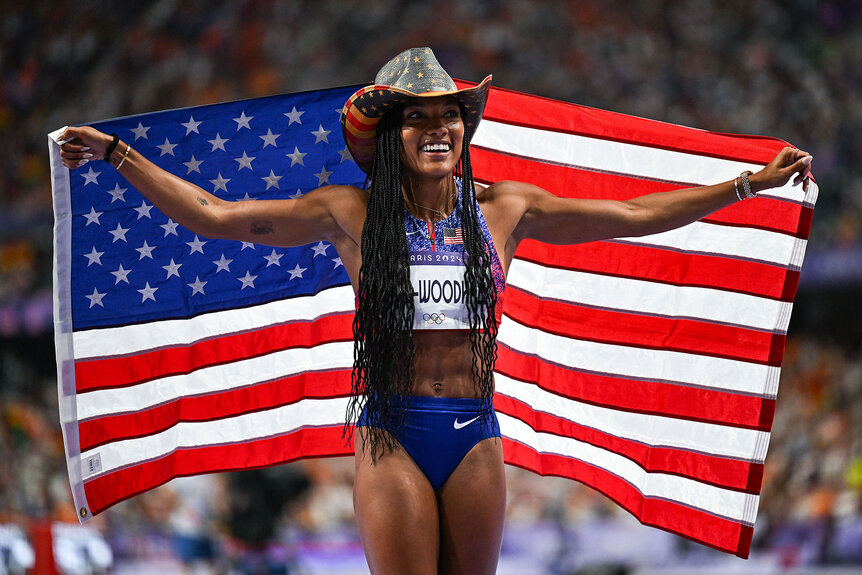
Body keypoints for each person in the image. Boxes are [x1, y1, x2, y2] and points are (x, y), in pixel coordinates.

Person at [59, 47, 813, 575]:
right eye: (417, 118)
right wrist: (118, 156)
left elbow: (637, 210)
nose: (437, 129)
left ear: (463, 129)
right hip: (393, 436)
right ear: (390, 136)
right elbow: (217, 218)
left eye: (448, 115)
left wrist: (746, 185)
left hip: (476, 434)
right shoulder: (348, 212)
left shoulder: (505, 209)